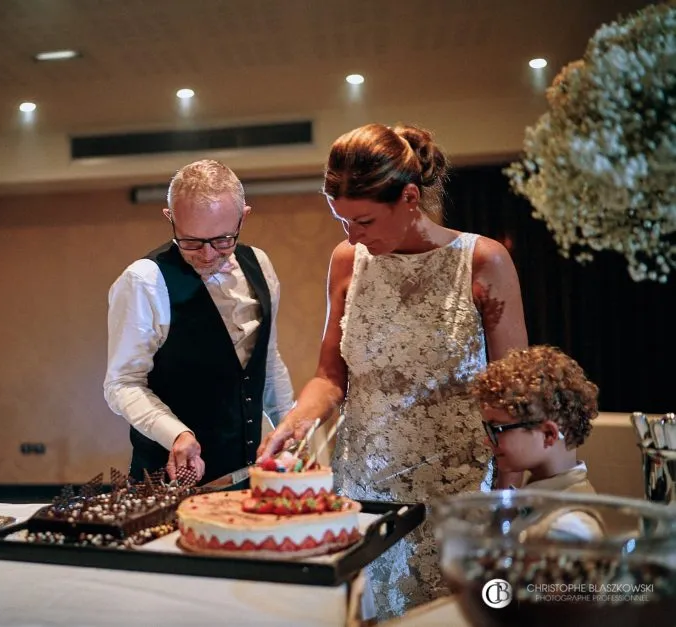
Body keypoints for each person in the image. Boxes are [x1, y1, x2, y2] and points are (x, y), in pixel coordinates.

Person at [257, 123, 528, 619]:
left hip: (459, 487)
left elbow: (514, 396)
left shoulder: (483, 261)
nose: (353, 236)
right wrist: (297, 420)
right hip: (363, 485)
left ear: (409, 198)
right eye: (342, 222)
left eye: (363, 221)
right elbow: (330, 376)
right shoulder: (347, 261)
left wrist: (505, 503)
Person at [105, 159, 294, 485]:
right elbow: (122, 384)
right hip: (171, 482)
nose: (207, 255)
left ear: (243, 217)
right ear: (171, 218)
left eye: (222, 240)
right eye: (191, 241)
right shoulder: (144, 281)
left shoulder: (259, 264)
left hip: (251, 475)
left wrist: (289, 430)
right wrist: (176, 434)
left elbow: (268, 358)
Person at [471, 345, 603, 540]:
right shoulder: (534, 497)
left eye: (496, 429)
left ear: (548, 434)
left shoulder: (567, 529)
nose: (486, 440)